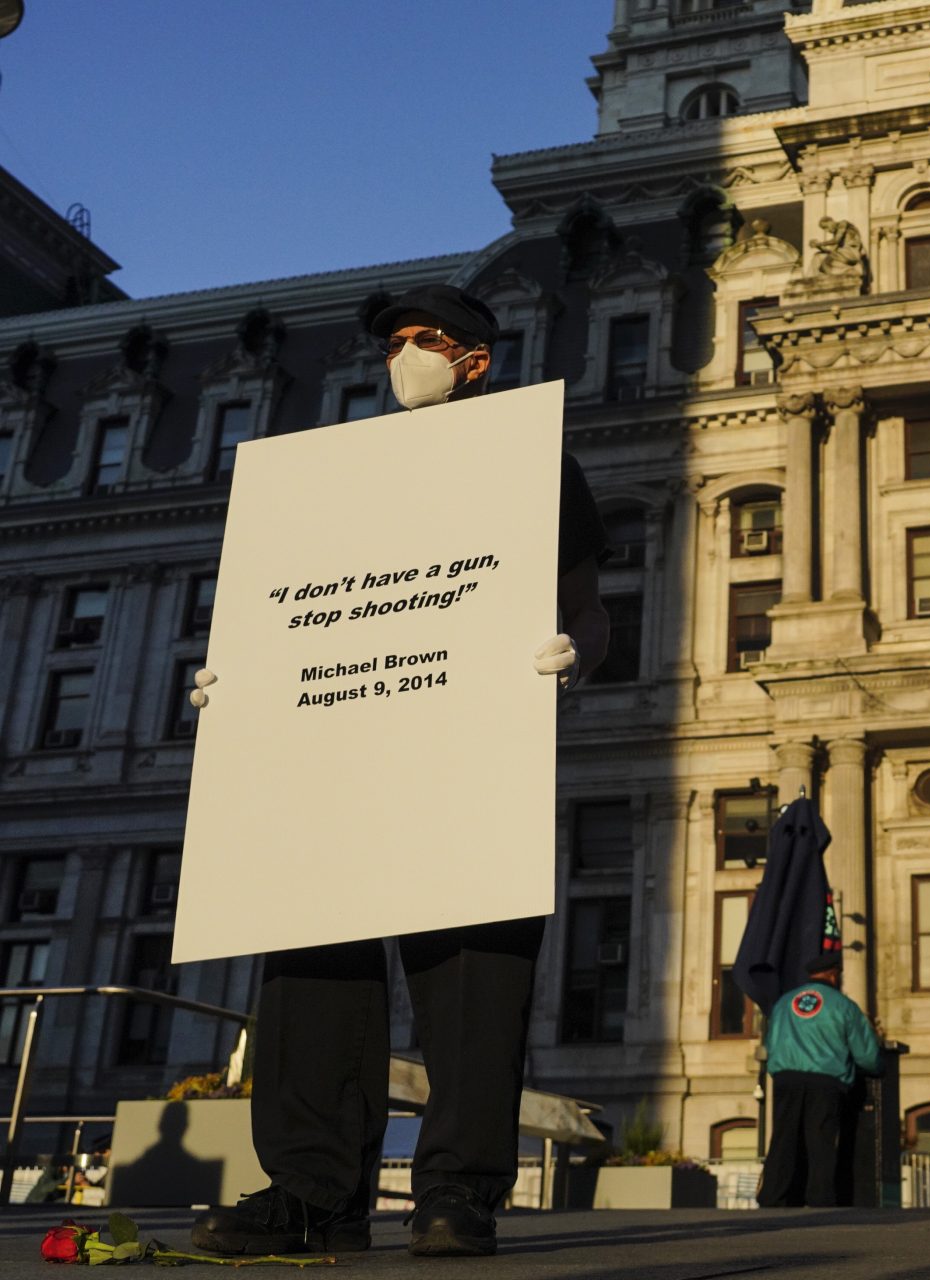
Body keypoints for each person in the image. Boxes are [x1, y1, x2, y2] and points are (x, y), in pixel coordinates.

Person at [189, 283, 610, 1258]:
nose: (401, 356)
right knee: (308, 942)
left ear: (476, 361)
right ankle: (311, 1188)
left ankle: (456, 1190)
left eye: (423, 340)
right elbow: (287, 607)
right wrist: (236, 682)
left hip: (470, 742)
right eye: (391, 343)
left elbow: (589, 607)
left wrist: (569, 649)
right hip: (336, 744)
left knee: (473, 964)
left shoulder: (534, 463)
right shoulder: (331, 478)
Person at [758, 950, 882, 1208]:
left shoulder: (783, 1003)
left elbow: (770, 1044)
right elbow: (866, 1054)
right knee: (821, 1142)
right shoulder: (843, 1005)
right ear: (834, 975)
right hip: (825, 1082)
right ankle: (820, 1200)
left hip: (786, 1079)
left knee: (783, 1138)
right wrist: (877, 1067)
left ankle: (774, 1197)